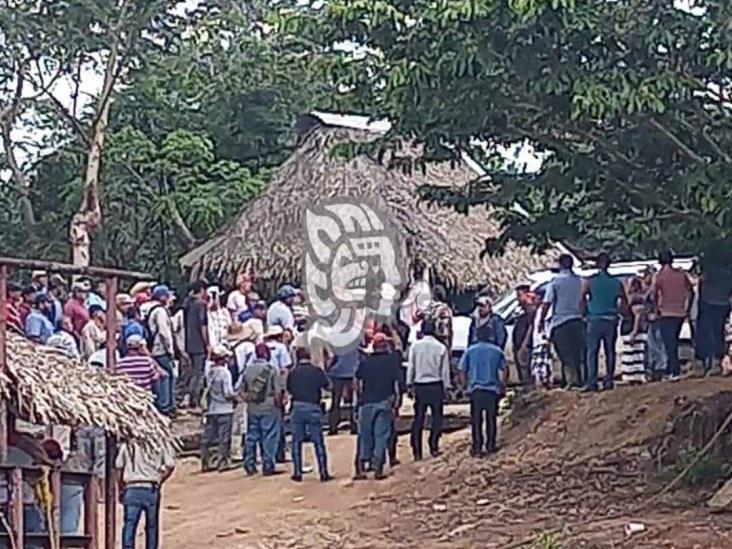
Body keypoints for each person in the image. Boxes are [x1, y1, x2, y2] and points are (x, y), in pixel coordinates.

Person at [353, 333, 402, 480]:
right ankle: (378, 467)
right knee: (381, 435)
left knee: (365, 436)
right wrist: (397, 402)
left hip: (366, 402)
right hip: (384, 401)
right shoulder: (392, 360)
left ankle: (361, 467)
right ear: (385, 345)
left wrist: (358, 397)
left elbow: (356, 380)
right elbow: (397, 383)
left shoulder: (365, 362)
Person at [459, 325, 508, 457]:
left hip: (476, 390)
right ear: (490, 336)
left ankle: (477, 447)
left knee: (476, 420)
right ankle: (490, 445)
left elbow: (462, 370)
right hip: (492, 390)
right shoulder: (497, 351)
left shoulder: (470, 351)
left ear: (477, 336)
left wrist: (464, 386)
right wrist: (503, 385)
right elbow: (505, 369)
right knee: (491, 419)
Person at [116, 441, 175, 549]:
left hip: (132, 488)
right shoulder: (160, 444)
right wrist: (160, 480)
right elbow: (170, 465)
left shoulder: (128, 445)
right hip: (150, 488)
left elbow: (119, 467)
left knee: (130, 524)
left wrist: (120, 488)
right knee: (152, 526)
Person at [582, 252, 628, 392]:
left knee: (592, 352)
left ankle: (592, 381)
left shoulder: (590, 281)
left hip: (594, 319)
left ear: (597, 264)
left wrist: (585, 314)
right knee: (610, 351)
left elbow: (582, 298)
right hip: (610, 320)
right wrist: (618, 312)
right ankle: (609, 380)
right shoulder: (616, 283)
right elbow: (624, 303)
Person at [407, 319, 451, 460]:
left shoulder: (415, 346)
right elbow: (445, 371)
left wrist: (409, 383)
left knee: (418, 418)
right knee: (437, 418)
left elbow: (411, 366)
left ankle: (417, 451)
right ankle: (433, 445)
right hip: (436, 384)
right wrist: (447, 387)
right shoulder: (440, 347)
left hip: (420, 385)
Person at [287, 346, 332, 482]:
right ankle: (323, 472)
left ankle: (297, 472)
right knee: (318, 441)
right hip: (313, 406)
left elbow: (289, 389)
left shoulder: (293, 373)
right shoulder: (316, 371)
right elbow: (328, 386)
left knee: (297, 442)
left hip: (297, 407)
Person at [539, 254, 584, 388]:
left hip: (561, 322)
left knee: (565, 353)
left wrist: (541, 320)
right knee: (577, 352)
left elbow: (547, 302)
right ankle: (578, 379)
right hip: (577, 320)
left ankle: (571, 381)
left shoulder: (556, 282)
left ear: (561, 265)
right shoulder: (579, 280)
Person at [243, 343, 284, 476]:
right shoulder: (272, 369)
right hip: (269, 405)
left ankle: (249, 463)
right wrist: (279, 405)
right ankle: (268, 464)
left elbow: (242, 390)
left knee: (252, 435)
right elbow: (277, 391)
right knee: (270, 435)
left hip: (253, 407)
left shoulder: (247, 370)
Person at [652, 250, 694, 381]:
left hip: (666, 313)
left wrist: (655, 309)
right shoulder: (681, 275)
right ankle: (672, 369)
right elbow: (691, 291)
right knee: (674, 341)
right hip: (680, 313)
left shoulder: (660, 276)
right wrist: (688, 308)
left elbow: (653, 294)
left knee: (669, 343)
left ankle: (674, 371)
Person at [201, 346, 237, 472]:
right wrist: (236, 397)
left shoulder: (209, 371)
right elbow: (227, 392)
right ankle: (223, 462)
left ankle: (206, 461)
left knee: (209, 437)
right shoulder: (224, 373)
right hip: (225, 409)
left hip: (212, 409)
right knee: (224, 438)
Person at [695, 255, 732, 375]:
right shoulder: (728, 275)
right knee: (719, 332)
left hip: (708, 304)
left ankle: (709, 363)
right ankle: (717, 361)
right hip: (723, 304)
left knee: (707, 334)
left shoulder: (708, 274)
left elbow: (700, 290)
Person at [147, 285, 176, 415]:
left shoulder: (147, 308)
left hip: (153, 348)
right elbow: (164, 332)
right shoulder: (160, 311)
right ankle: (166, 406)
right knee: (167, 376)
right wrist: (170, 349)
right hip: (160, 349)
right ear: (163, 297)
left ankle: (166, 404)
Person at [183, 282, 210, 409]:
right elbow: (203, 325)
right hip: (199, 343)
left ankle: (189, 396)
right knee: (199, 373)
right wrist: (207, 343)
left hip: (189, 342)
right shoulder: (201, 305)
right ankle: (195, 398)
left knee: (192, 371)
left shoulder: (187, 304)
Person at [620, 277, 648, 384]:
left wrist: (634, 332)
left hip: (632, 330)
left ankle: (633, 377)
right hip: (634, 330)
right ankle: (635, 376)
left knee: (632, 354)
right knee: (635, 354)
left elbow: (638, 315)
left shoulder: (636, 299)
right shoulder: (638, 298)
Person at [327, 347, 359, 435]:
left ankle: (333, 427)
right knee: (354, 402)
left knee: (336, 402)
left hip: (337, 373)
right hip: (352, 372)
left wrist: (327, 369)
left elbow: (331, 358)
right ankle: (354, 426)